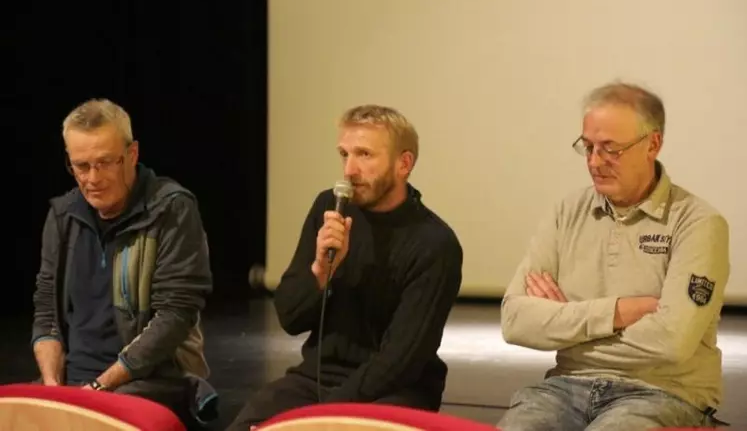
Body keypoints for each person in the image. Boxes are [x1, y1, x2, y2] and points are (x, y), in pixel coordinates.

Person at [498, 82, 730, 431]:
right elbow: (515, 321)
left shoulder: (699, 223)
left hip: (664, 392)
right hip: (564, 387)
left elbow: (672, 342)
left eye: (611, 149)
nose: (594, 162)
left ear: (653, 144)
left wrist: (567, 328)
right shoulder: (567, 212)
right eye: (588, 147)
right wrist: (619, 311)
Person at [227, 105, 463, 430]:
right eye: (344, 154)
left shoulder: (434, 243)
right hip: (317, 378)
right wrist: (320, 274)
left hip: (396, 390)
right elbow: (290, 317)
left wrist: (321, 415)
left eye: (364, 155)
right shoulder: (329, 208)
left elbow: (400, 361)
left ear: (403, 164)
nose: (349, 170)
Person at [31, 98, 218, 428]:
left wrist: (100, 388)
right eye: (81, 166)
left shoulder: (171, 209)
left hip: (152, 380)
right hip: (76, 383)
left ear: (131, 155)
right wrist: (52, 389)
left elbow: (174, 316)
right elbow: (47, 310)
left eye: (105, 163)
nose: (92, 178)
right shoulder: (62, 216)